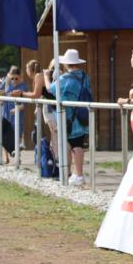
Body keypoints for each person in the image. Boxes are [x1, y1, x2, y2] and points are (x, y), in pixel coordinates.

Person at [48, 49, 91, 186]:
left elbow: (51, 90)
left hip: (68, 117)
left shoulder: (63, 79)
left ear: (66, 64)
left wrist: (46, 77)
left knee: (71, 145)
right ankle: (76, 174)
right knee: (78, 144)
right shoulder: (85, 77)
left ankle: (76, 174)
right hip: (82, 115)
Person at [0, 66, 26, 161]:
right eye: (12, 78)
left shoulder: (23, 85)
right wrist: (6, 82)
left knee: (16, 135)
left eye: (16, 78)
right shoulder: (7, 82)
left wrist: (17, 109)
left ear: (20, 76)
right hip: (6, 112)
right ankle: (7, 156)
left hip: (17, 114)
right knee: (3, 134)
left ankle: (17, 156)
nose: (14, 80)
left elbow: (24, 103)